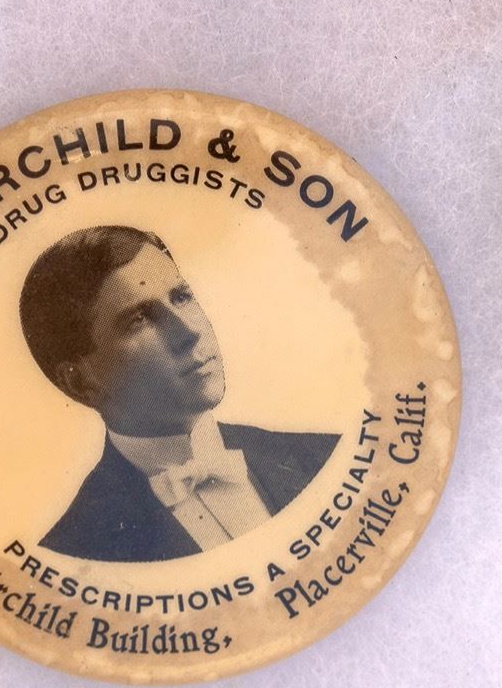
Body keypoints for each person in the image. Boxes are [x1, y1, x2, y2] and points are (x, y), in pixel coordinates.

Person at [19, 225, 337, 562]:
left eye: (181, 297)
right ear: (80, 382)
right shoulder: (71, 554)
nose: (190, 331)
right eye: (138, 319)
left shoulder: (324, 458)